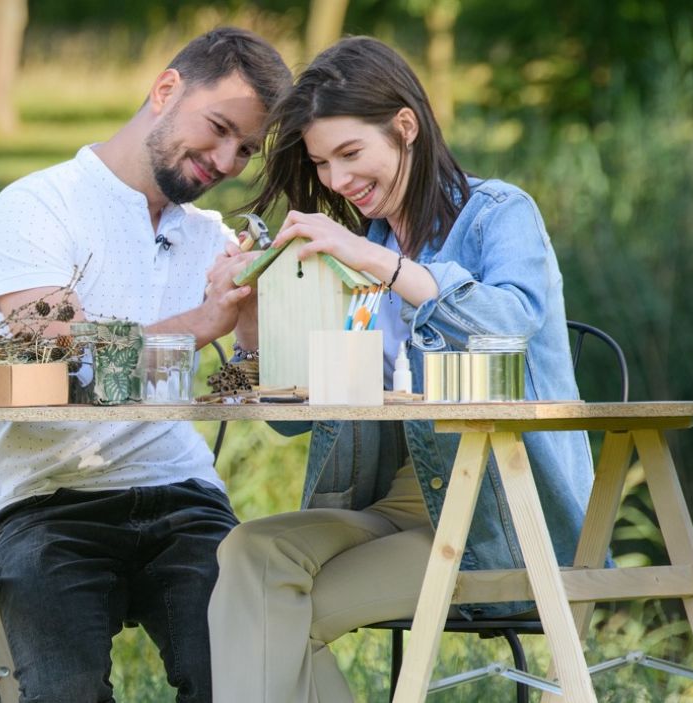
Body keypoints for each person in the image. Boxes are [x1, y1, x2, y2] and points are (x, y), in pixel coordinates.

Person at [206, 36, 595, 702]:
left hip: (496, 518)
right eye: (323, 163)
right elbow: (291, 427)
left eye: (350, 154)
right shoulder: (365, 250)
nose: (335, 181)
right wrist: (248, 330)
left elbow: (510, 322)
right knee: (249, 551)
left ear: (405, 126)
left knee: (266, 615)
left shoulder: (497, 215)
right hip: (395, 505)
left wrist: (380, 264)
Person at [0, 28, 291, 703]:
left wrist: (251, 324)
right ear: (166, 89)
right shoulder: (37, 207)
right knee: (65, 691)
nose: (229, 160)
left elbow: (235, 399)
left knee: (247, 679)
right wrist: (200, 324)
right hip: (50, 503)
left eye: (245, 149)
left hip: (185, 500)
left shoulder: (209, 238)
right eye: (220, 128)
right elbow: (60, 360)